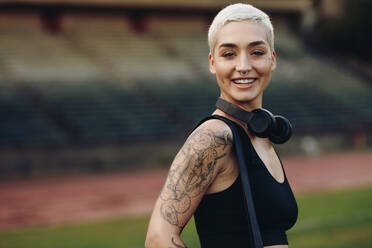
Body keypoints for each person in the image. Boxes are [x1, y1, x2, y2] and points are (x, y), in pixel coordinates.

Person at [145, 3, 298, 248]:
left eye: (257, 52)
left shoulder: (261, 132)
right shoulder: (214, 137)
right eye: (229, 54)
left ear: (272, 59)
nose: (244, 66)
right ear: (213, 62)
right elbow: (158, 239)